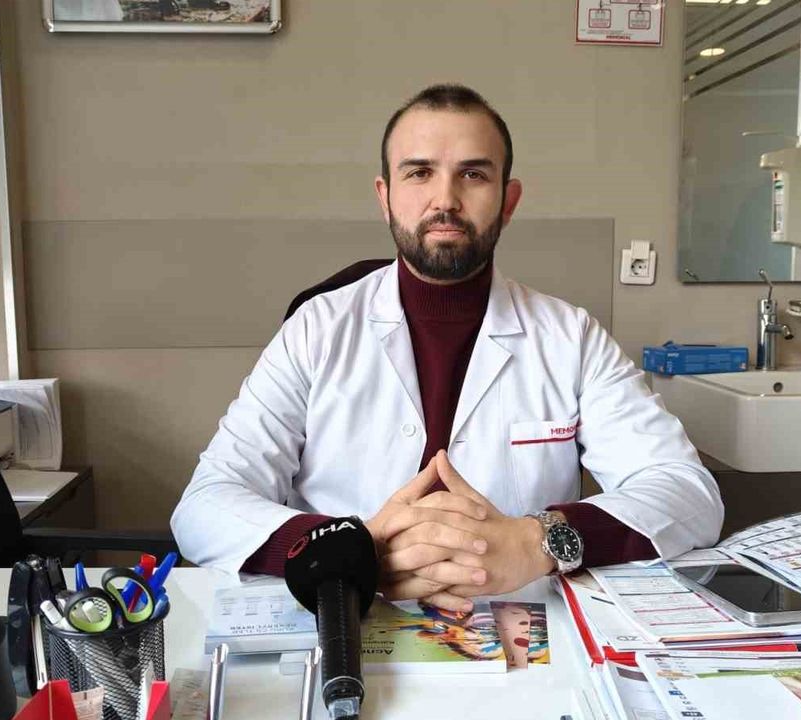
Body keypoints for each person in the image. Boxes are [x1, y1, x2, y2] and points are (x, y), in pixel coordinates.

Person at [171, 84, 722, 611]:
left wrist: (539, 540)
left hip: (521, 625)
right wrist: (346, 550)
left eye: (473, 174)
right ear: (385, 197)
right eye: (419, 173)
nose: (445, 199)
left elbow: (687, 492)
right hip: (346, 616)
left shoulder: (570, 337)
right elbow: (205, 502)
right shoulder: (316, 330)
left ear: (508, 200)